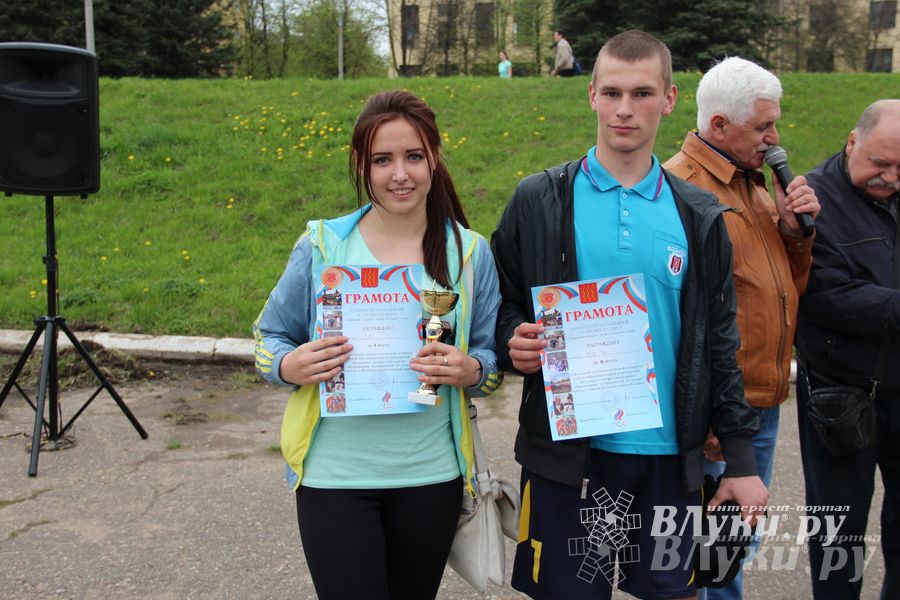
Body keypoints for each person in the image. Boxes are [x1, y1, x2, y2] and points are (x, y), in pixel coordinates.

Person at [491, 30, 768, 600]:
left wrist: (740, 460)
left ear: (669, 99)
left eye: (642, 93)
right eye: (612, 91)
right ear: (590, 94)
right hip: (571, 456)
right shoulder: (538, 199)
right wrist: (511, 340)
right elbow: (503, 303)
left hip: (668, 458)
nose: (624, 109)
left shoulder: (699, 215)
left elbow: (720, 340)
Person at [253, 90, 504, 600]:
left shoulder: (469, 252)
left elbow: (492, 364)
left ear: (434, 157)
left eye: (413, 156)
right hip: (334, 477)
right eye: (382, 160)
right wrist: (289, 364)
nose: (400, 174)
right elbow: (267, 339)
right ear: (361, 167)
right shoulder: (323, 246)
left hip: (431, 476)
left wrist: (471, 370)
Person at [663, 57, 820, 600]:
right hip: (720, 408)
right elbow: (678, 319)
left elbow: (783, 291)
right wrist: (705, 412)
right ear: (719, 126)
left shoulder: (754, 188)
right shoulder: (679, 189)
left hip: (762, 397)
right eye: (763, 127)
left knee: (731, 543)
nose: (775, 138)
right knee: (704, 551)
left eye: (775, 124)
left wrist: (796, 236)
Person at [794, 99, 900, 600]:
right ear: (852, 141)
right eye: (880, 163)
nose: (891, 177)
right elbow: (827, 293)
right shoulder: (812, 199)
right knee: (839, 536)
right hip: (842, 396)